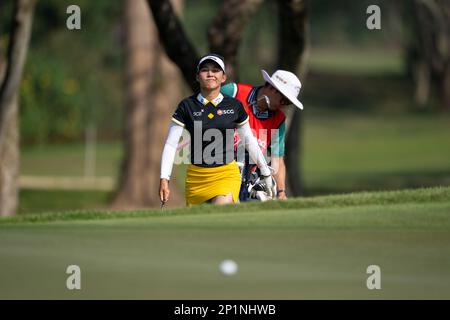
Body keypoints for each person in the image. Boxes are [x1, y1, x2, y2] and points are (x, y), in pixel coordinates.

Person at [159, 54, 274, 206]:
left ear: (223, 77)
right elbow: (171, 144)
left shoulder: (234, 106)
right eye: (205, 70)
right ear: (197, 76)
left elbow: (249, 141)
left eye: (215, 70)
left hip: (226, 174)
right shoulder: (186, 106)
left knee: (220, 211)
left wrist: (265, 172)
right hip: (196, 177)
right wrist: (164, 178)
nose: (210, 74)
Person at [221, 69, 304, 201]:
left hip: (246, 181)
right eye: (284, 101)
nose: (283, 106)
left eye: (287, 104)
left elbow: (277, 159)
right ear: (272, 88)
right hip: (216, 172)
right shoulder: (234, 92)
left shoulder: (278, 120)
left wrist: (281, 192)